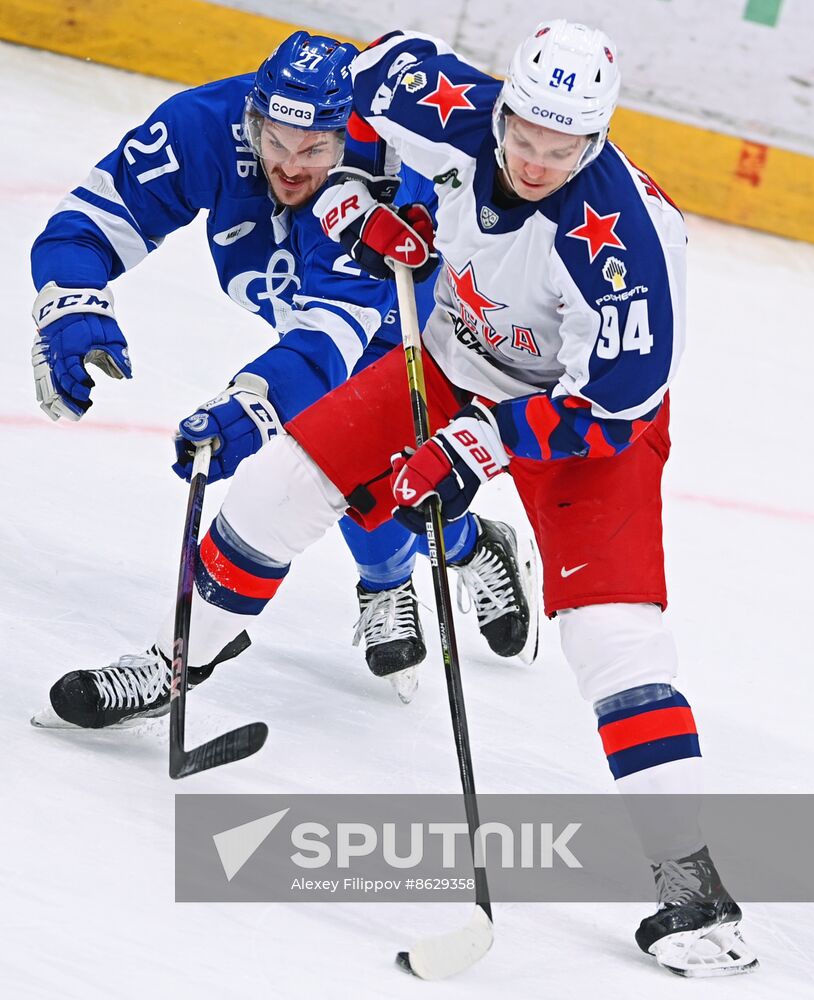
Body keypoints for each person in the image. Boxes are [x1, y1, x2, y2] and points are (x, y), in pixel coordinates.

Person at [37, 20, 755, 975]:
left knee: (611, 638)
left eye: (563, 145)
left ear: (596, 138)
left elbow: (615, 409)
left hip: (579, 422)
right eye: (526, 135)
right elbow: (365, 81)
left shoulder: (623, 248)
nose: (537, 160)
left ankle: (690, 880)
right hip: (451, 353)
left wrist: (479, 443)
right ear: (503, 110)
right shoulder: (434, 99)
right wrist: (360, 203)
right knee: (282, 486)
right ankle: (179, 663)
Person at [29, 31, 535, 710]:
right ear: (252, 120)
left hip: (419, 322)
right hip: (315, 324)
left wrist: (252, 405)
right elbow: (85, 226)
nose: (291, 168)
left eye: (314, 151)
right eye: (274, 144)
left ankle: (411, 571)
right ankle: (452, 556)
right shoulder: (203, 127)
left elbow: (329, 344)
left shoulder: (376, 181)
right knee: (343, 477)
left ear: (343, 137)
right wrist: (71, 309)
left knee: (374, 478)